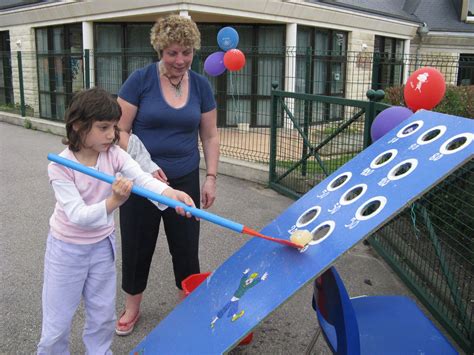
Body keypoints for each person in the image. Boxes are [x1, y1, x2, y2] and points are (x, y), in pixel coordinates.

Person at [37, 87, 195, 354]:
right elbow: (77, 215)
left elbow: (142, 178)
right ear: (77, 126)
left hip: (102, 246)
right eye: (103, 127)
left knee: (102, 316)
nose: (111, 134)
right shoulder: (60, 166)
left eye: (114, 127)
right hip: (67, 249)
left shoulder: (114, 155)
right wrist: (114, 202)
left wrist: (171, 194)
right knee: (57, 323)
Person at [116, 14, 219, 336]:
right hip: (141, 182)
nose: (180, 60)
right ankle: (132, 308)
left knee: (186, 247)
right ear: (160, 50)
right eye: (172, 52)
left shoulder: (201, 85)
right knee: (137, 244)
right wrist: (143, 166)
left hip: (185, 178)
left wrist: (211, 176)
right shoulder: (140, 80)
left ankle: (187, 305)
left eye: (186, 52)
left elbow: (211, 135)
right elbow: (119, 130)